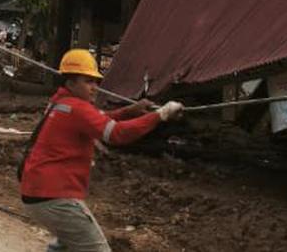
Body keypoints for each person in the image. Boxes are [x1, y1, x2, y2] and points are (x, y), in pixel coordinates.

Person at [19, 49, 184, 252]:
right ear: (71, 82)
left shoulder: (60, 102)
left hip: (37, 193)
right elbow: (117, 134)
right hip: (56, 197)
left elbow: (96, 119)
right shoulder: (78, 108)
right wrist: (160, 115)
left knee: (66, 246)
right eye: (88, 81)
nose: (94, 88)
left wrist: (128, 111)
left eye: (96, 82)